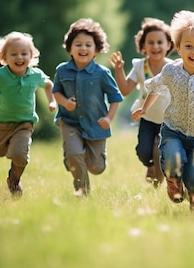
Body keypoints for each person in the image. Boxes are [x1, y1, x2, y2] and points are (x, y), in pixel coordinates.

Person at [131, 10, 194, 212]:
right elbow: (155, 88)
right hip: (173, 130)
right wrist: (144, 108)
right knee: (171, 157)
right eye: (189, 46)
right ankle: (173, 179)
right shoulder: (171, 70)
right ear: (178, 48)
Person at [0, 31, 56, 197]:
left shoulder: (35, 75)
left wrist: (52, 101)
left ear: (31, 56)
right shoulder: (1, 75)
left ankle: (14, 180)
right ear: (4, 57)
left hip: (24, 124)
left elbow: (48, 85)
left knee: (20, 155)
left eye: (24, 53)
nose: (19, 57)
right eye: (14, 54)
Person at [53, 18, 123, 197]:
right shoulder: (62, 71)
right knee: (75, 154)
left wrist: (109, 118)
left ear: (96, 50)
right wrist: (65, 103)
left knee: (96, 168)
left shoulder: (102, 73)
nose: (83, 48)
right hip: (69, 122)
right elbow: (56, 92)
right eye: (78, 44)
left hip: (95, 124)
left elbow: (115, 98)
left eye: (88, 45)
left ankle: (87, 160)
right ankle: (82, 192)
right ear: (70, 49)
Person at [108, 18, 174, 188]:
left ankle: (158, 185)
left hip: (168, 120)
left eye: (160, 42)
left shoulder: (173, 68)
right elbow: (125, 90)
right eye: (150, 42)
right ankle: (150, 166)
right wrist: (119, 70)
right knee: (144, 153)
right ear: (143, 46)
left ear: (169, 45)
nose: (155, 46)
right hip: (147, 117)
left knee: (160, 151)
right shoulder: (139, 66)